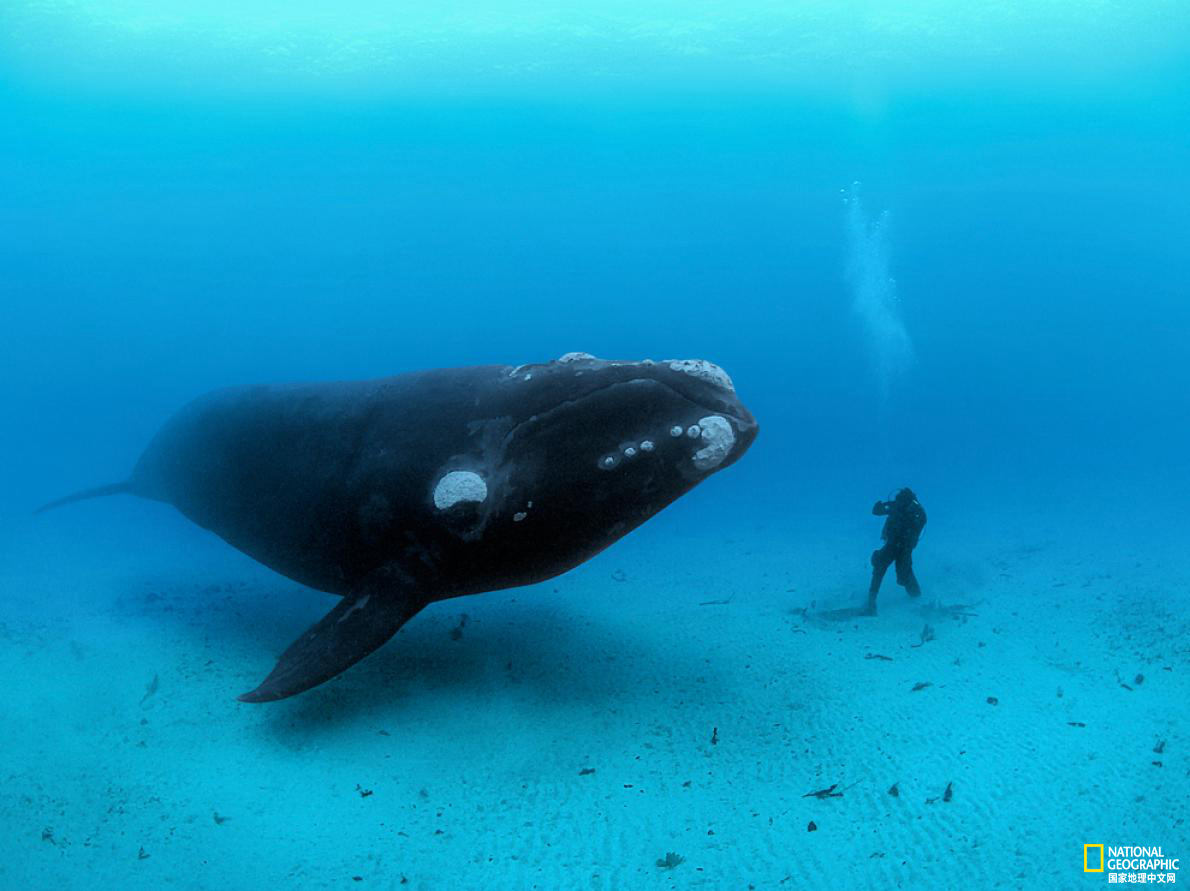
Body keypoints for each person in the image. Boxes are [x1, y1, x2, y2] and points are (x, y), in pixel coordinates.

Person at [865, 487, 926, 614]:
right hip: (892, 543)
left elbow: (922, 521)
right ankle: (871, 600)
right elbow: (877, 511)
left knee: (904, 573)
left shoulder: (916, 511)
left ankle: (916, 595)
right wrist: (879, 507)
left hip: (905, 547)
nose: (899, 503)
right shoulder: (896, 506)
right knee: (880, 565)